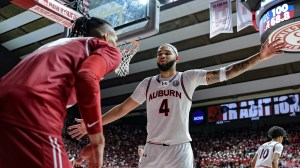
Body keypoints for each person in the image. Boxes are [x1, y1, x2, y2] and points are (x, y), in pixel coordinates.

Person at [68, 39, 285, 167]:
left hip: (179, 149)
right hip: (151, 149)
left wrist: (259, 57)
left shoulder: (188, 78)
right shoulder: (148, 83)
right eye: (159, 53)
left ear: (176, 58)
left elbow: (227, 72)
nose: (162, 55)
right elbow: (123, 109)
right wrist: (92, 124)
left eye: (167, 52)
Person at [0, 16, 122, 168]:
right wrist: (97, 139)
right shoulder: (106, 48)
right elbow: (87, 76)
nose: (116, 45)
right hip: (33, 109)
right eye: (116, 40)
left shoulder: (59, 45)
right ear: (106, 37)